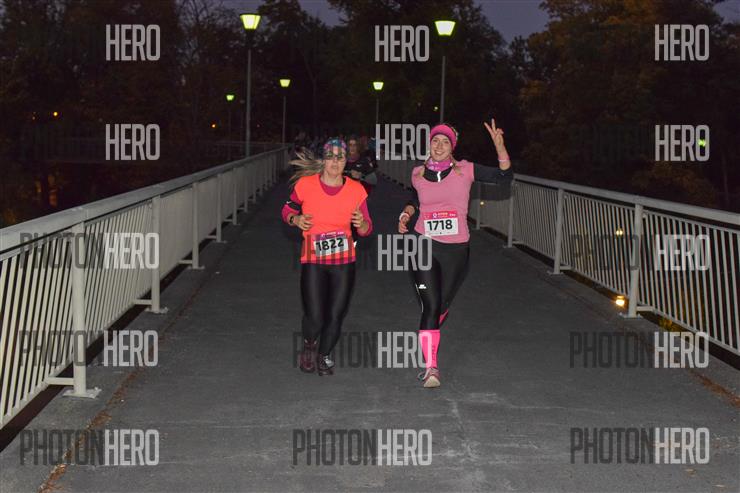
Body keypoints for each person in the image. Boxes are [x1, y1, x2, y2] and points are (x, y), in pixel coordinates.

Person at [398, 119, 513, 388]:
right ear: (429, 144)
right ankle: (431, 368)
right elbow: (416, 199)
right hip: (423, 243)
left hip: (456, 250)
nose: (439, 146)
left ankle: (431, 327)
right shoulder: (417, 173)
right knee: (430, 306)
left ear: (452, 148)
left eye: (445, 142)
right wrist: (406, 213)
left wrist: (500, 147)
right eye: (435, 141)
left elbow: (504, 177)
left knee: (440, 306)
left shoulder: (466, 170)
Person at [282, 138, 373, 376]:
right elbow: (287, 209)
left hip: (344, 262)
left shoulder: (356, 189)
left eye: (340, 157)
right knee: (315, 316)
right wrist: (295, 219)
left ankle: (324, 355)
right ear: (323, 160)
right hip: (313, 260)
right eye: (330, 156)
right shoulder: (306, 185)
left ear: (346, 161)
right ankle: (310, 345)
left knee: (335, 315)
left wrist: (361, 223)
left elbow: (367, 228)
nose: (335, 161)